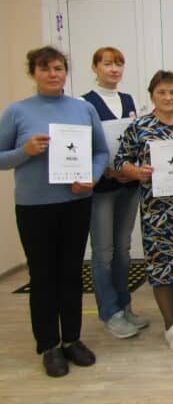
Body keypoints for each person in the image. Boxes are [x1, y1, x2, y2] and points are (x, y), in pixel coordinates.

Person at [0, 46, 108, 377]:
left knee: (72, 274)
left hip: (76, 203)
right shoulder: (17, 111)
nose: (53, 74)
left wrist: (92, 177)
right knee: (43, 276)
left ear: (66, 72)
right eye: (45, 68)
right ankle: (48, 345)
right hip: (35, 207)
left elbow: (100, 152)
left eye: (59, 68)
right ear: (33, 73)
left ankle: (72, 339)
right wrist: (25, 151)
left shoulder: (83, 109)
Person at [114, 70, 173, 352]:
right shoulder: (140, 126)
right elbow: (121, 161)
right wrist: (137, 172)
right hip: (158, 211)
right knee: (162, 266)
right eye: (162, 92)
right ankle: (170, 325)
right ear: (152, 95)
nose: (168, 97)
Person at [82, 47, 146, 339]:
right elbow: (82, 145)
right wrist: (106, 170)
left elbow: (135, 140)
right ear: (95, 67)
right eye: (107, 64)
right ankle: (109, 312)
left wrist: (130, 169)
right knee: (103, 252)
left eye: (119, 64)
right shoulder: (85, 103)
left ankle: (124, 305)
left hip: (128, 184)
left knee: (123, 249)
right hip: (102, 186)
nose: (114, 69)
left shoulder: (129, 101)